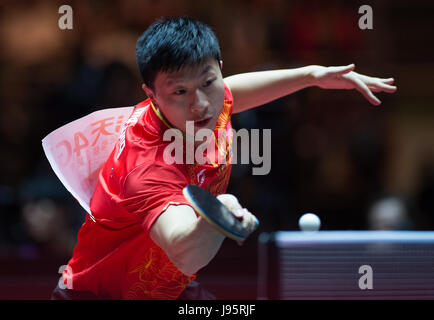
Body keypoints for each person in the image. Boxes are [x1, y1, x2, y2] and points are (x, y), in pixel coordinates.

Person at [51, 16, 397, 300]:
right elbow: (182, 247)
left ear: (217, 68)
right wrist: (219, 213)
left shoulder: (206, 101)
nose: (200, 103)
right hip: (101, 295)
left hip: (166, 288)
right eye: (180, 91)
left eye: (208, 81)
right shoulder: (144, 163)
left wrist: (312, 76)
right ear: (152, 95)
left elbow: (233, 91)